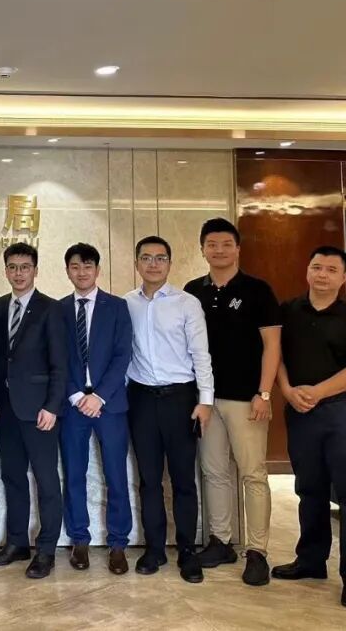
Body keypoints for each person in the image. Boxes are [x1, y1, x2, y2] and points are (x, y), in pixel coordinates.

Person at [271, 245, 346, 609]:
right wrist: (287, 390)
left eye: (332, 270)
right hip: (300, 412)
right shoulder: (288, 311)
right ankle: (311, 560)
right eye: (317, 267)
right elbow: (275, 355)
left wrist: (317, 392)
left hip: (342, 412)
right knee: (309, 489)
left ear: (344, 277)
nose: (322, 275)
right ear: (307, 271)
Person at [184, 218, 280, 586]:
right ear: (202, 249)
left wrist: (264, 392)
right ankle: (220, 541)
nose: (219, 250)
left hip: (247, 400)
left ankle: (257, 551)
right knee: (214, 472)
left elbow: (272, 345)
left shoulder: (257, 290)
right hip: (206, 400)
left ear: (238, 248)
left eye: (226, 244)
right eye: (212, 244)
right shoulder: (193, 291)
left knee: (253, 473)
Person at [124, 235, 213, 584]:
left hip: (181, 400)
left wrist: (205, 401)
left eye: (160, 258)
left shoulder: (187, 303)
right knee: (148, 480)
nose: (153, 264)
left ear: (170, 263)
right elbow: (122, 354)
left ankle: (187, 550)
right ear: (137, 263)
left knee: (183, 480)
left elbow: (201, 354)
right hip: (141, 400)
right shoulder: (126, 304)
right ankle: (155, 548)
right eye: (146, 258)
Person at [0, 243, 66, 579]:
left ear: (35, 270)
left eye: (25, 267)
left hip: (39, 410)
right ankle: (17, 542)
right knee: (13, 476)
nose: (19, 273)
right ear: (6, 270)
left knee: (46, 480)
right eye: (13, 267)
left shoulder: (52, 309)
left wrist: (52, 406)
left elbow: (61, 364)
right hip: (5, 409)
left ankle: (46, 549)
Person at [58, 243, 134, 576]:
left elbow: (122, 355)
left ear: (98, 270)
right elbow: (56, 358)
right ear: (67, 271)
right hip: (73, 406)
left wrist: (99, 396)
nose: (82, 272)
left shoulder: (116, 307)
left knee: (116, 475)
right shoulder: (58, 310)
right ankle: (80, 539)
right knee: (74, 474)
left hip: (110, 405)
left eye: (88, 266)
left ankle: (118, 543)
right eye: (75, 266)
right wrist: (76, 395)